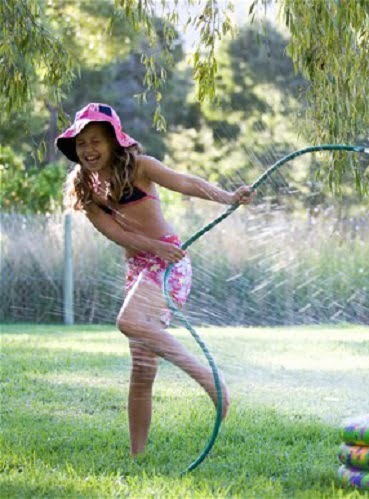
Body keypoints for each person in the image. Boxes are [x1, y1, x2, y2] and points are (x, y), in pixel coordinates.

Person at [58, 103, 253, 456]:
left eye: (96, 141)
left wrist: (227, 197)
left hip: (170, 263)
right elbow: (115, 233)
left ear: (115, 141)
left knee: (128, 321)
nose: (89, 150)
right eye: (82, 142)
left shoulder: (140, 167)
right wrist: (149, 248)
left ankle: (213, 383)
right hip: (140, 267)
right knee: (142, 369)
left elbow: (186, 182)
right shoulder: (84, 187)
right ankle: (137, 456)